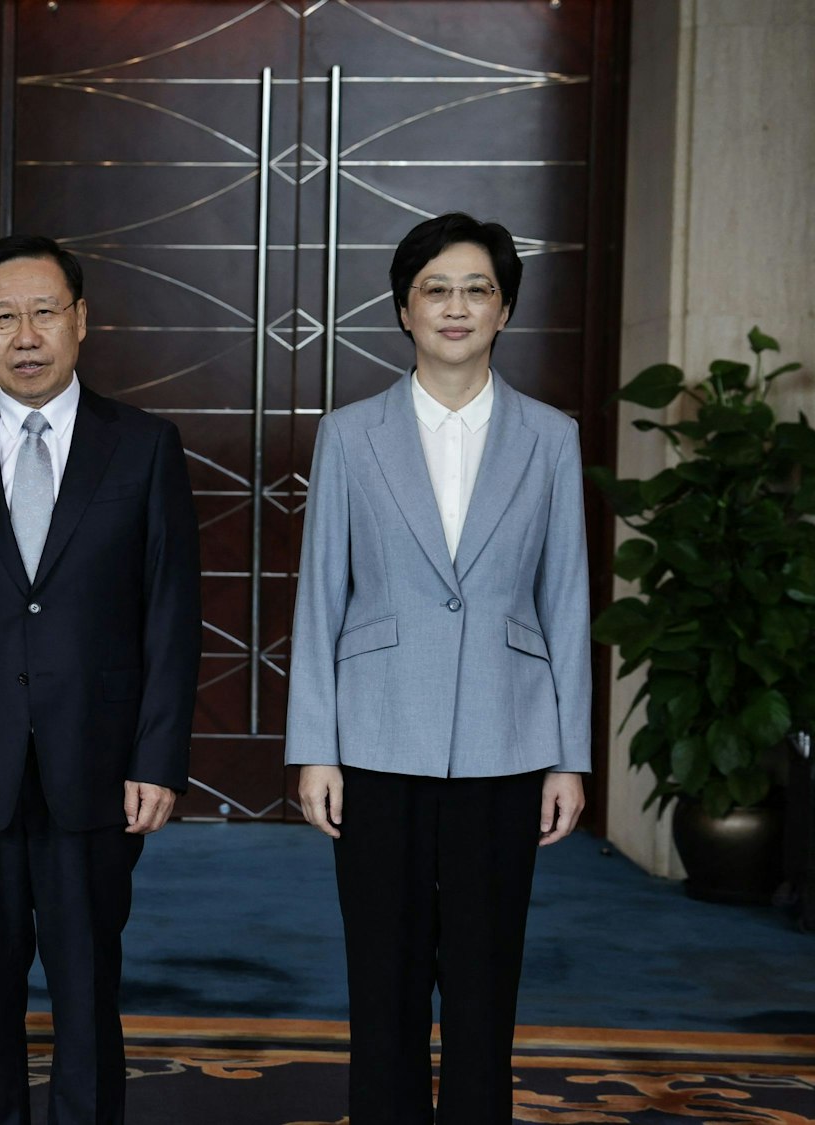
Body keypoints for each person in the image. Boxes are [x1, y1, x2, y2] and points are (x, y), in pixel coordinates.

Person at [0, 235, 202, 1125]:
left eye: (45, 312)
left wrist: (160, 757)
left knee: (89, 988)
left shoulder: (142, 449)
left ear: (81, 321)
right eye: (4, 317)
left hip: (97, 769)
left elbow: (171, 617)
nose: (27, 335)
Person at [285, 212, 592, 1123]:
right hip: (375, 739)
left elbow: (566, 598)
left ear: (504, 312)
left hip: (507, 738)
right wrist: (315, 747)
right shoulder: (350, 434)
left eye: (477, 290)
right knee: (382, 983)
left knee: (485, 988)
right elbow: (320, 598)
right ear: (405, 310)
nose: (456, 307)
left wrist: (568, 755)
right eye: (436, 289)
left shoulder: (551, 436)